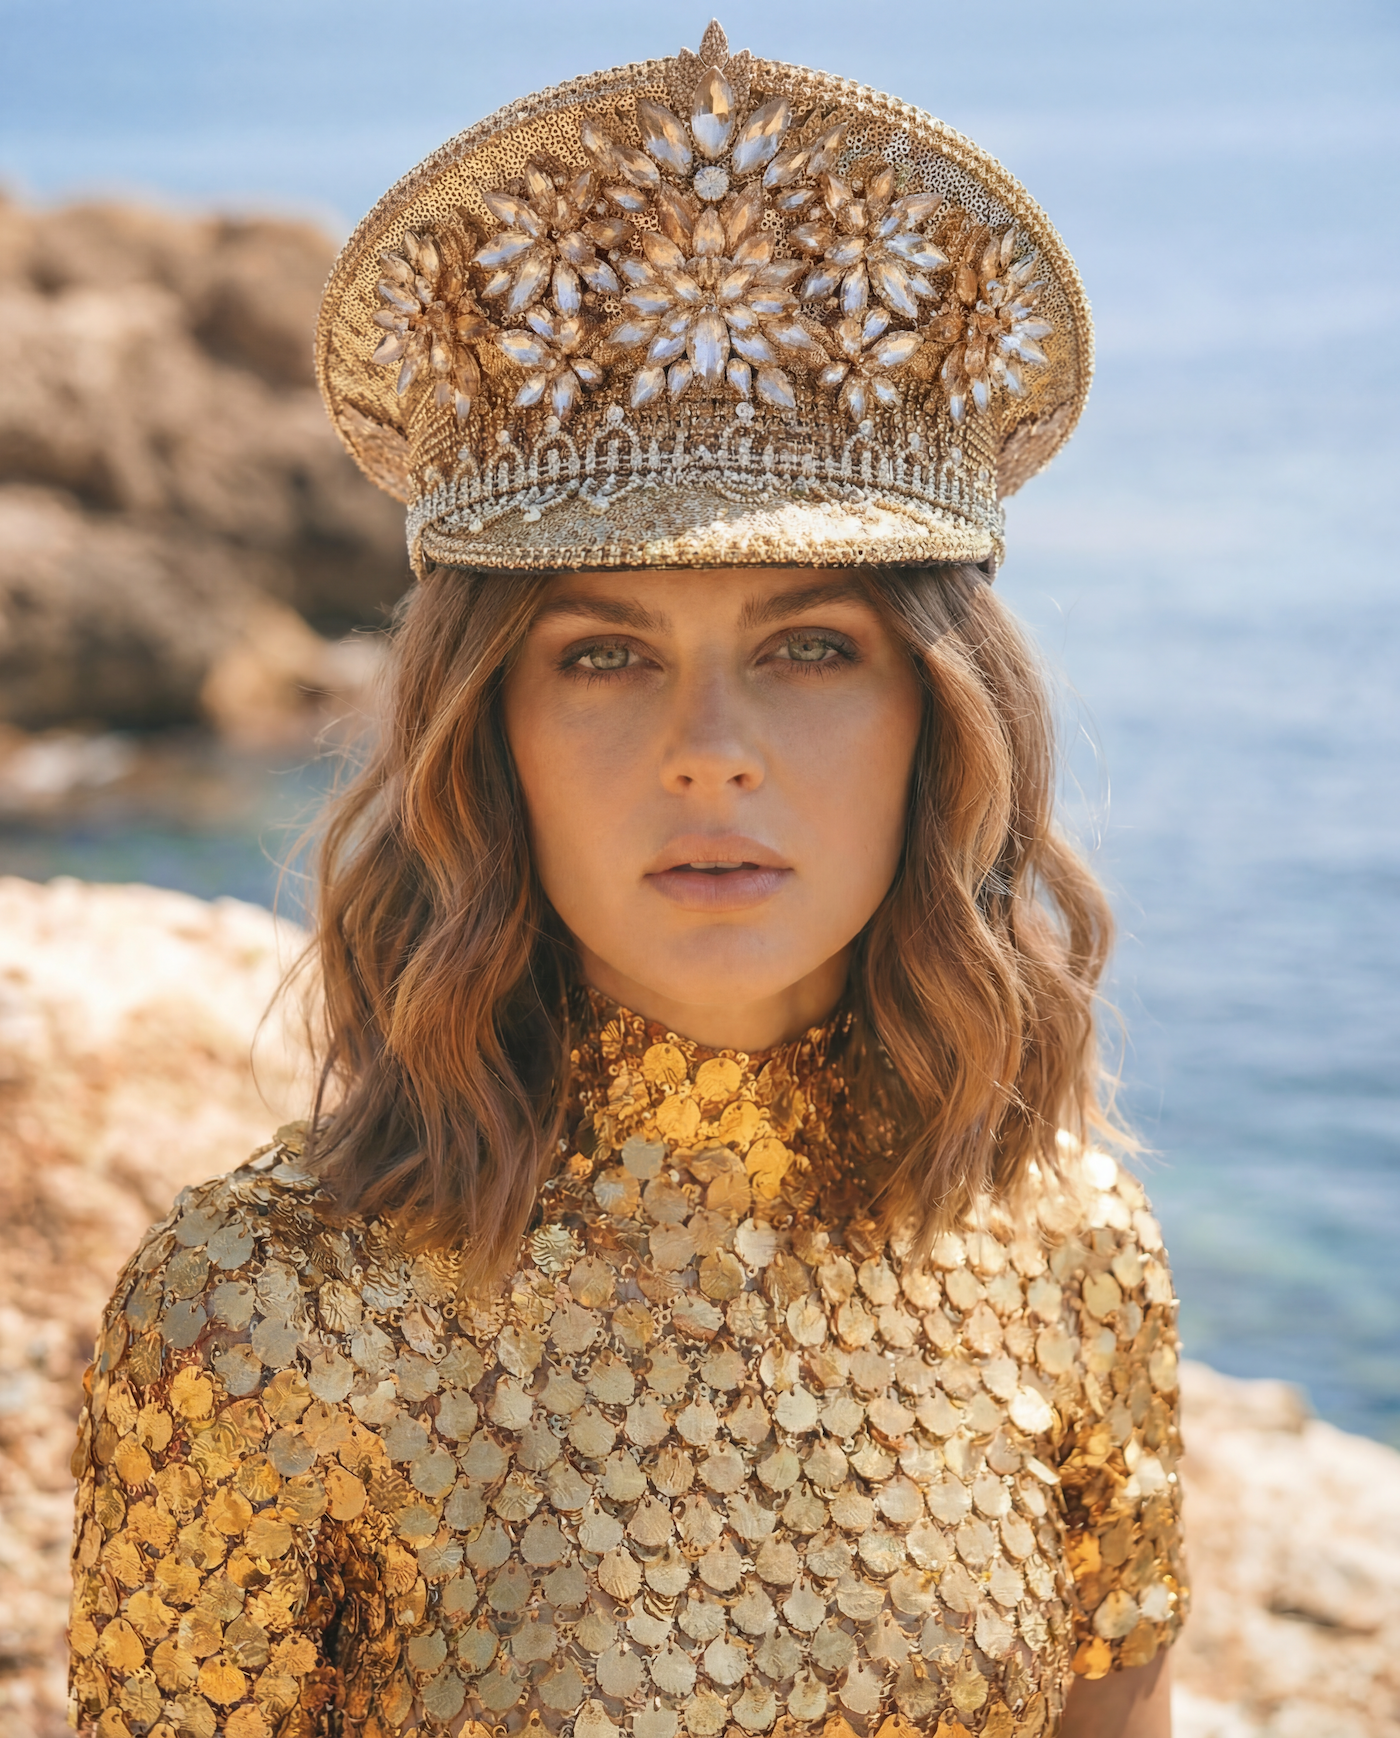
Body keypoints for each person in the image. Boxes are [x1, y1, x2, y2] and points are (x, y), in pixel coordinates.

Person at [67, 23, 1186, 1738]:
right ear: (486, 735)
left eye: (811, 645)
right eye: (602, 657)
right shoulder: (254, 1313)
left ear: (939, 722)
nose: (709, 749)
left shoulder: (1072, 1247)